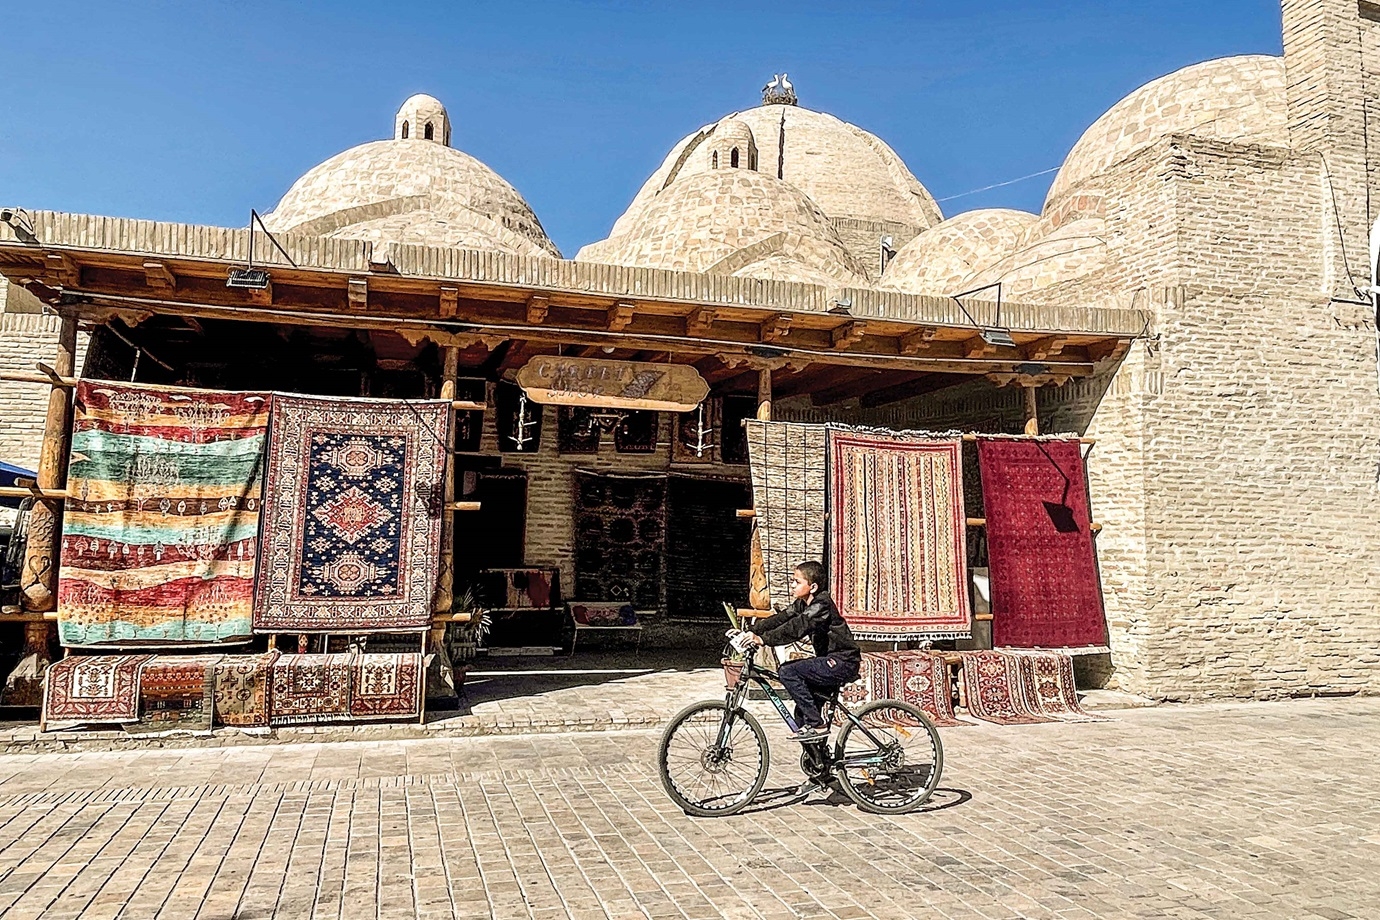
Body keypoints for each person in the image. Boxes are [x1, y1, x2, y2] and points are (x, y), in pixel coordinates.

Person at [744, 561, 860, 742]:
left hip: (842, 662)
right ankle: (820, 763)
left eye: (797, 582)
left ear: (812, 587)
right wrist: (752, 632)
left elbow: (797, 626)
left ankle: (817, 725)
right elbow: (781, 619)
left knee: (787, 671)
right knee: (800, 717)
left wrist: (763, 640)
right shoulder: (802, 604)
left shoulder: (821, 605)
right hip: (827, 661)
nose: (792, 585)